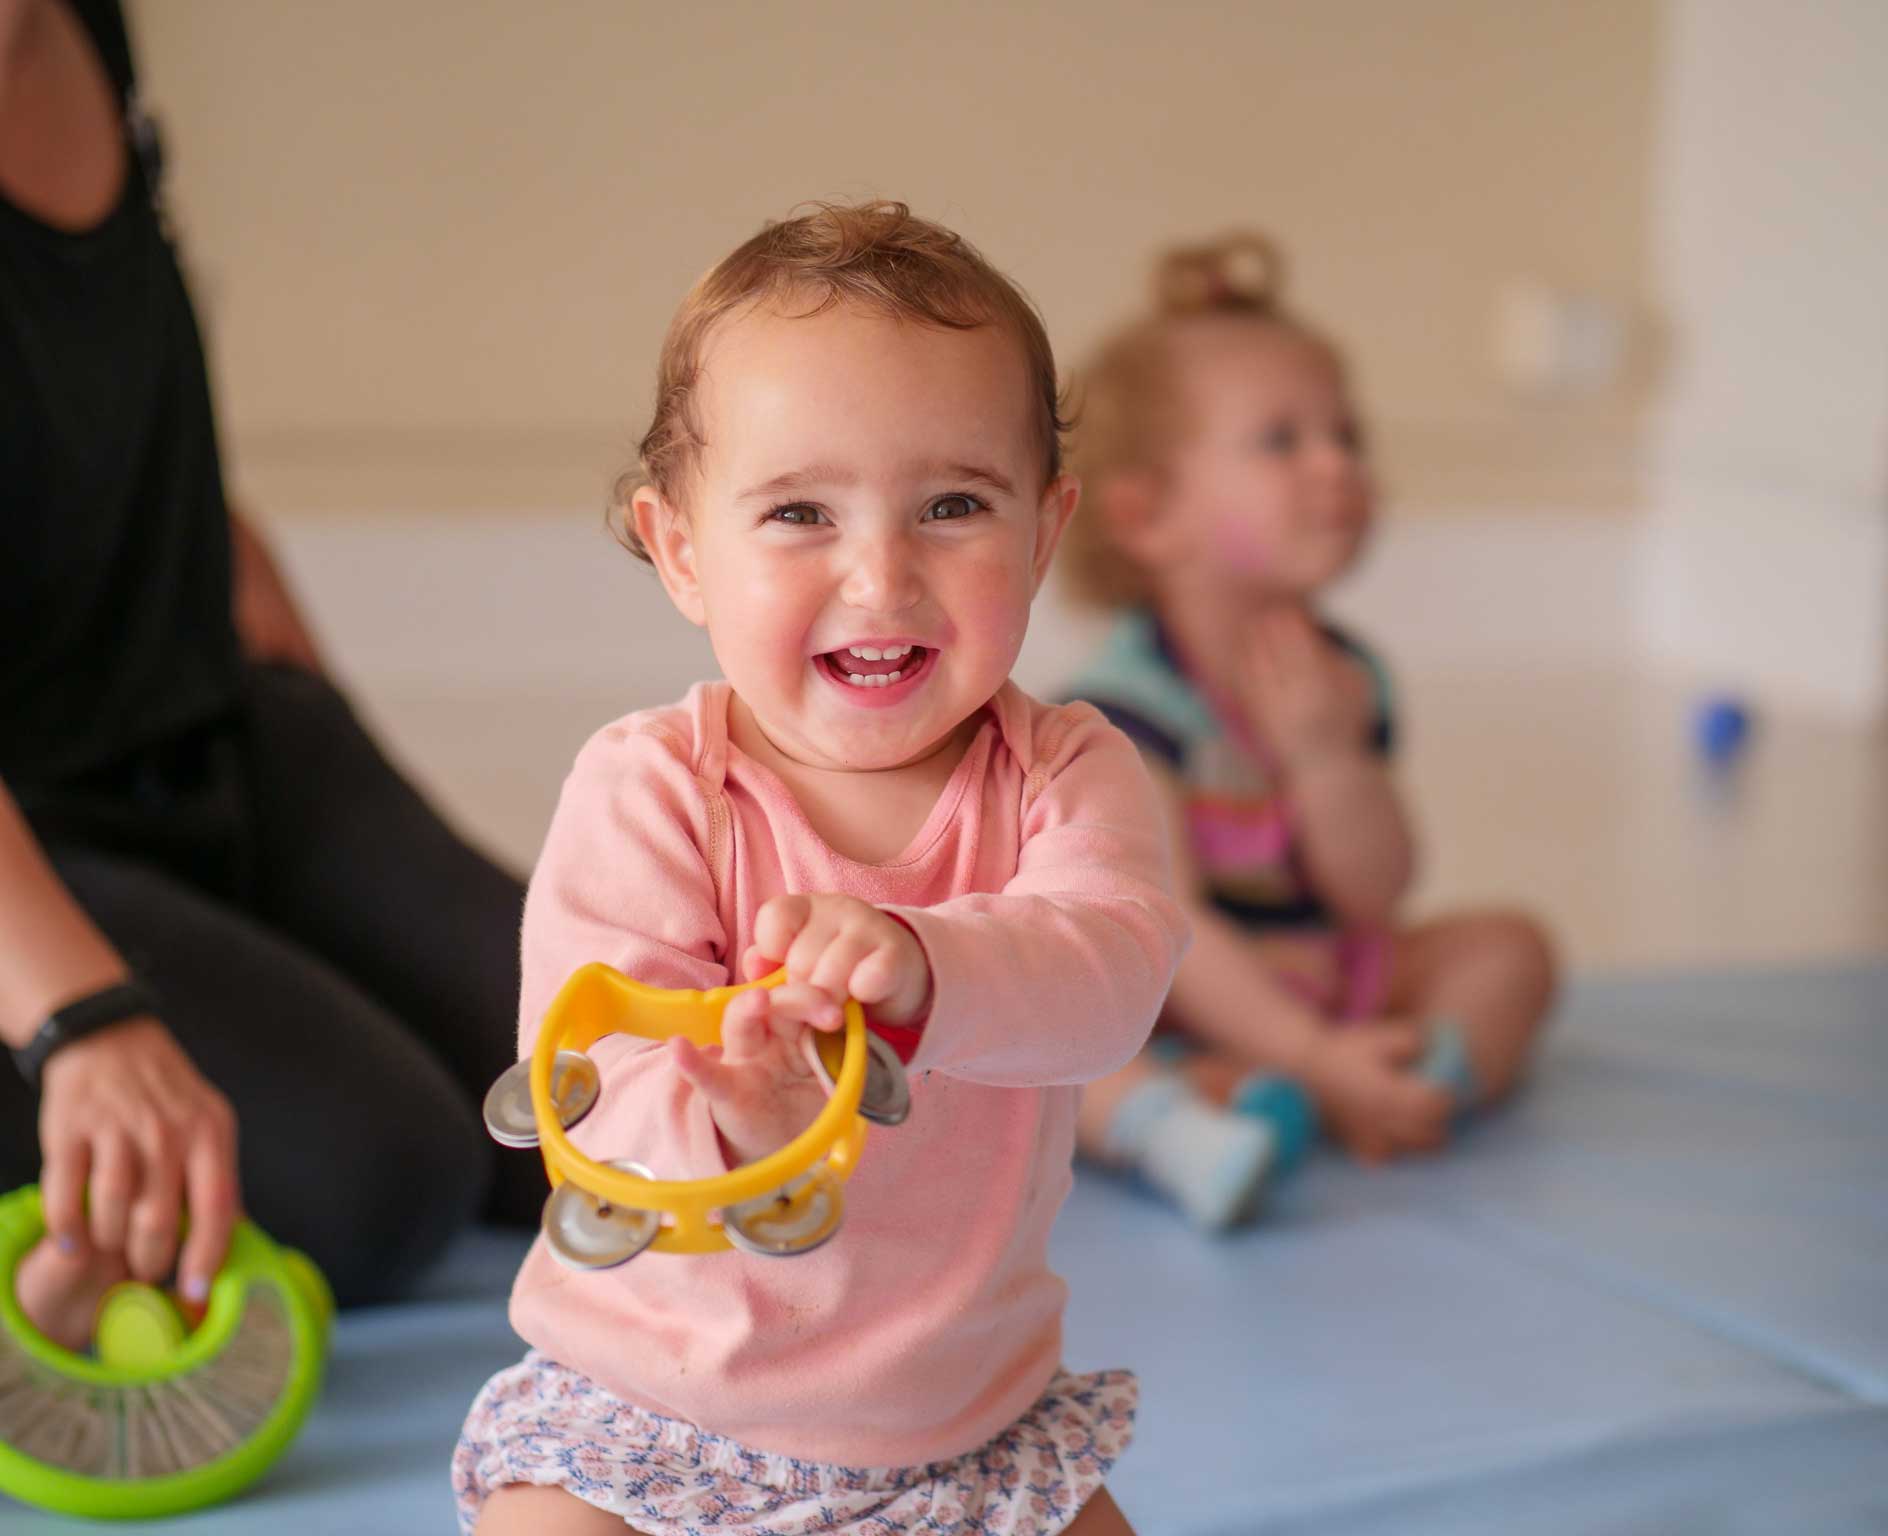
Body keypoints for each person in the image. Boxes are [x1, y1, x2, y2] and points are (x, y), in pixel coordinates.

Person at [452, 202, 1187, 1536]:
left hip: (964, 1435)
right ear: (682, 550)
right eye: (800, 513)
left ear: (1044, 530)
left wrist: (934, 967)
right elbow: (591, 1099)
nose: (880, 576)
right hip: (651, 1417)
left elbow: (1112, 974)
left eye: (954, 504)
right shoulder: (653, 788)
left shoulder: (1070, 775)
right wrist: (726, 1110)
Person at [0, 0, 543, 1342]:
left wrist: (318, 716)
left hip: (214, 725)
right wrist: (81, 1019)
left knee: (600, 1090)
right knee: (387, 1177)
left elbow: (119, 393)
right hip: (29, 835)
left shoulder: (81, 29)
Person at [1059, 234, 1556, 1227]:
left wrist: (1327, 756)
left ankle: (1411, 1088)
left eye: (1347, 437)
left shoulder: (1344, 678)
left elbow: (1373, 891)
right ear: (1146, 515)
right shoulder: (1122, 716)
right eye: (1281, 442)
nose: (1335, 465)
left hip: (1330, 978)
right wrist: (1308, 1050)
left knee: (1510, 950)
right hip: (1175, 1007)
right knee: (1036, 1055)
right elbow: (1173, 938)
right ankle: (1184, 1121)